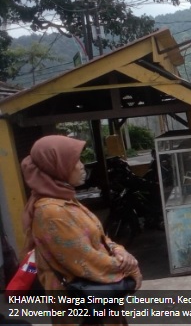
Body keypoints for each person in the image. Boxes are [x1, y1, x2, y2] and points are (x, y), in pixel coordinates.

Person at [20, 135, 142, 326]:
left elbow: (100, 237)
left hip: (97, 301)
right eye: (74, 160)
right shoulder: (51, 211)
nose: (81, 165)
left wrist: (120, 251)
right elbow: (84, 260)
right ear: (56, 167)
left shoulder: (66, 200)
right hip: (80, 307)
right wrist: (129, 269)